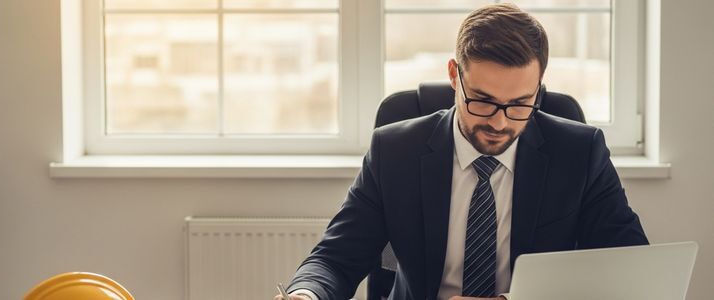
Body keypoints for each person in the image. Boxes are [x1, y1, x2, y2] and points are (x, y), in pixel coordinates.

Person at [274, 3, 648, 300]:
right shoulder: (394, 151)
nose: (500, 123)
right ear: (455, 75)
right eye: (483, 101)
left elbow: (629, 270)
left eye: (520, 103)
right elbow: (336, 258)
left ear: (539, 88)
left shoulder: (580, 153)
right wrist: (306, 295)